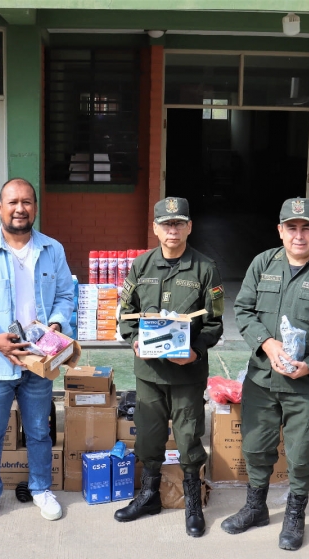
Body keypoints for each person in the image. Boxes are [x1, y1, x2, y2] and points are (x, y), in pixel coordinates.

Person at [226, 198, 309, 549]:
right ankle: (255, 508)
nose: (299, 235)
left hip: (306, 384)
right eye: (292, 228)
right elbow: (244, 309)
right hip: (262, 378)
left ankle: (295, 515)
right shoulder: (263, 264)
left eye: (306, 228)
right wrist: (267, 344)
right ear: (280, 231)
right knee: (255, 446)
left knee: (301, 453)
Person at [0, 178, 74, 526]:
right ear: (0, 208)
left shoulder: (53, 249)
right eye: (12, 202)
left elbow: (65, 295)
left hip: (39, 361)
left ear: (35, 207)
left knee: (39, 431)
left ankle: (41, 488)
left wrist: (55, 326)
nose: (20, 209)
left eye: (26, 202)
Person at [115, 197, 224, 537]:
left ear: (189, 227)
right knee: (148, 437)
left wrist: (195, 351)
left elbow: (215, 322)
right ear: (155, 228)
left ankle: (193, 501)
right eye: (166, 224)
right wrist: (134, 339)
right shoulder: (141, 266)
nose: (172, 230)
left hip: (187, 372)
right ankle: (149, 496)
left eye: (178, 223)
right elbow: (125, 313)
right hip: (149, 373)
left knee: (189, 438)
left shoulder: (205, 268)